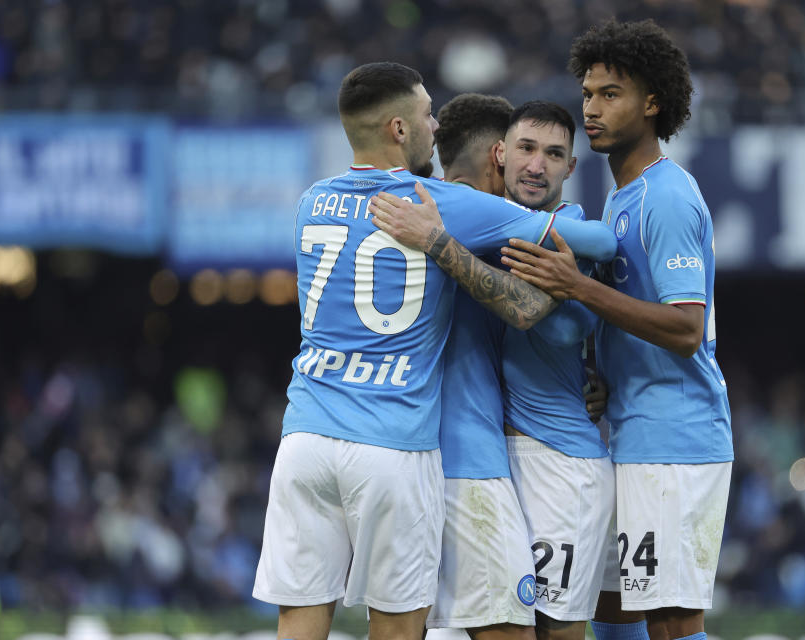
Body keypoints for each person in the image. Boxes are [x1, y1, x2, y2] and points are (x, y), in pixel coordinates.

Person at [253, 62, 616, 640]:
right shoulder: (441, 204)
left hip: (305, 433)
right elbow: (587, 256)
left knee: (299, 621)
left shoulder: (312, 202)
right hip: (406, 447)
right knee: (432, 628)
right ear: (400, 128)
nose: (434, 123)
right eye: (426, 113)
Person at [499, 20, 733, 640]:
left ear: (652, 103)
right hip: (629, 430)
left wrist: (577, 286)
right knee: (612, 607)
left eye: (611, 94)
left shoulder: (670, 198)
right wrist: (599, 374)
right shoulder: (621, 200)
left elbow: (687, 329)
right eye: (589, 94)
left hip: (675, 438)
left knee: (671, 620)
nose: (592, 109)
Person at [497, 101, 646, 640]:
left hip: (558, 463)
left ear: (570, 169)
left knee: (552, 629)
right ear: (501, 153)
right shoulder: (483, 223)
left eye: (554, 154)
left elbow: (565, 328)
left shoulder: (573, 230)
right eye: (527, 149)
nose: (537, 165)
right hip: (489, 462)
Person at [425, 92, 538, 640]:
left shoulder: (406, 206)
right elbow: (590, 239)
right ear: (499, 155)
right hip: (468, 465)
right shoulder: (485, 218)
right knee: (509, 631)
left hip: (404, 459)